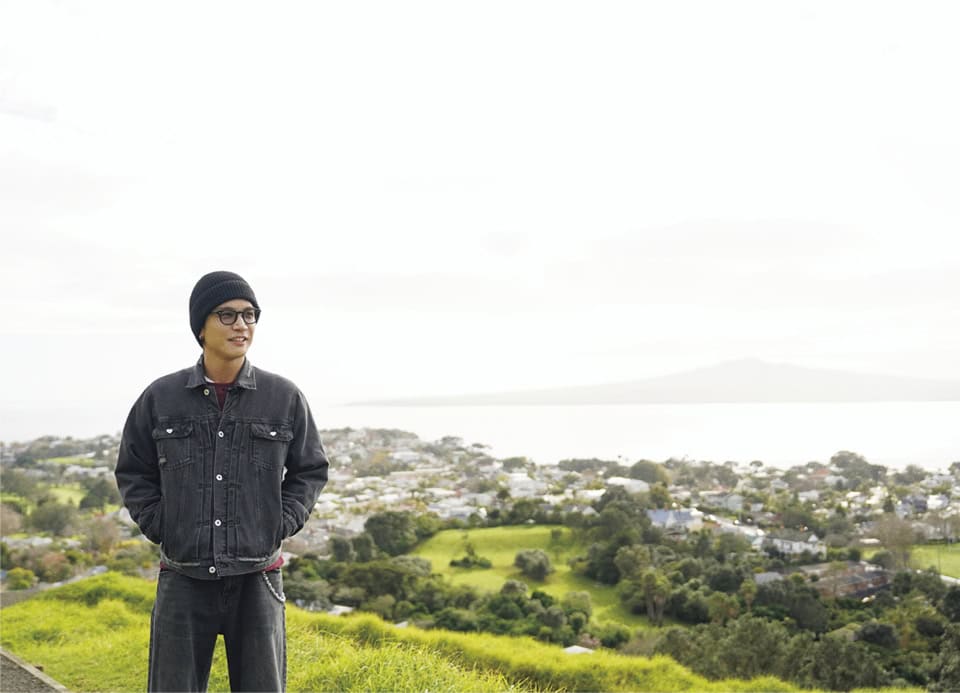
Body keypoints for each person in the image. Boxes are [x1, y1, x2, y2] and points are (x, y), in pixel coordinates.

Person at [115, 271, 329, 692]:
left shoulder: (283, 396)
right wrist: (161, 523)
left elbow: (310, 470)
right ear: (201, 326)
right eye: (227, 315)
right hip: (183, 575)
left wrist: (279, 521)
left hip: (258, 577)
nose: (241, 325)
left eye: (250, 315)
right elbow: (134, 470)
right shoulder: (160, 397)